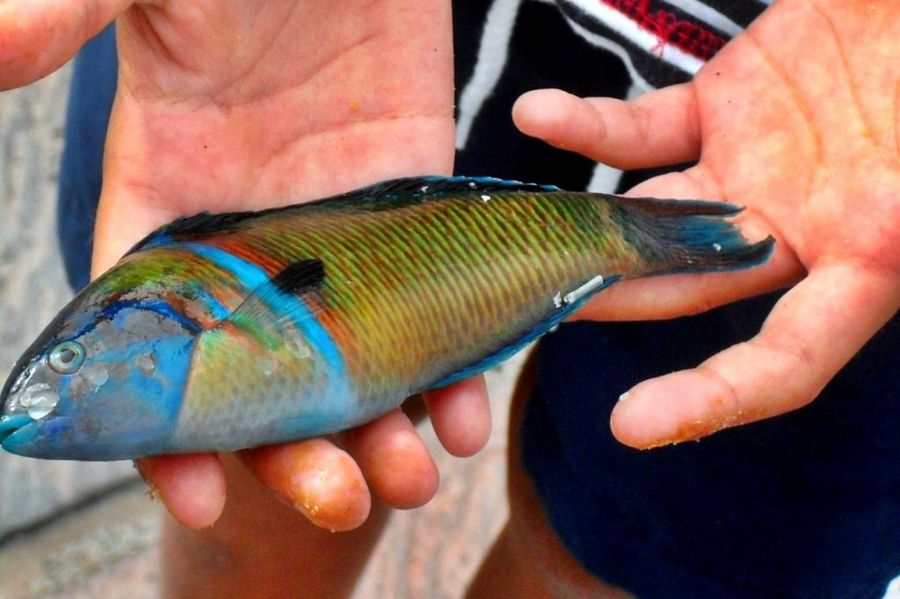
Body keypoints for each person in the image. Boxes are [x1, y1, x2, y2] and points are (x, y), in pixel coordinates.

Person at [2, 0, 898, 596]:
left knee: (658, 546)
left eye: (73, 355)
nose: (58, 378)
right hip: (308, 40)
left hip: (852, 94)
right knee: (255, 512)